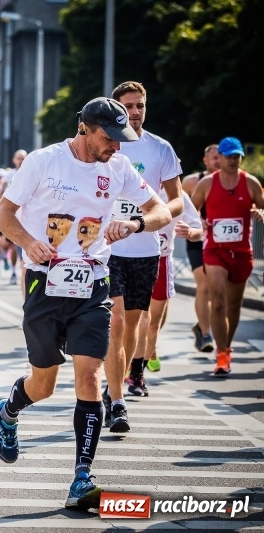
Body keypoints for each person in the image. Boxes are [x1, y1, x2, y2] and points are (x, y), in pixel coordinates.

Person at [0, 96, 170, 509]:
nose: (117, 147)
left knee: (89, 377)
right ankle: (9, 409)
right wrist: (29, 242)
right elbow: (3, 214)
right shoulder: (43, 161)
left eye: (122, 139)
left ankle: (82, 477)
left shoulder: (119, 167)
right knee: (45, 383)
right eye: (110, 137)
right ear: (85, 129)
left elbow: (160, 209)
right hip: (45, 282)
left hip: (93, 281)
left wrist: (136, 222)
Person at [102, 81, 183, 432]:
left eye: (140, 105)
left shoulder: (160, 149)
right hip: (108, 251)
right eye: (128, 106)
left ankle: (117, 379)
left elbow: (176, 201)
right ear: (118, 109)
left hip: (146, 248)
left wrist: (148, 218)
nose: (135, 112)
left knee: (135, 324)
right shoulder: (104, 144)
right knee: (116, 321)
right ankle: (117, 401)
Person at [190, 136, 264, 376]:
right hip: (215, 251)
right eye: (229, 156)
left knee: (234, 305)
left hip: (242, 253)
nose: (233, 160)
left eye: (237, 156)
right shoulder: (207, 184)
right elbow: (191, 211)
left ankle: (227, 347)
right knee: (218, 300)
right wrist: (198, 221)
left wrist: (261, 213)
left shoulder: (251, 183)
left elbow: (262, 206)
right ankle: (221, 354)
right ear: (218, 158)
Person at [127, 189, 203, 392]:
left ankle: (137, 371)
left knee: (152, 323)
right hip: (129, 259)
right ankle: (131, 370)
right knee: (133, 319)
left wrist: (190, 232)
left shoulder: (176, 195)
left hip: (161, 259)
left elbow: (199, 230)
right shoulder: (131, 186)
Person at [181, 144, 220, 353]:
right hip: (198, 239)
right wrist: (196, 222)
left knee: (218, 290)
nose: (217, 161)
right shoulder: (191, 182)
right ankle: (206, 334)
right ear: (205, 160)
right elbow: (181, 206)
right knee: (203, 285)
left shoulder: (234, 181)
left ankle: (202, 326)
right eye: (213, 158)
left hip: (222, 242)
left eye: (219, 157)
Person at [2, 149, 28, 285]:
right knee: (12, 248)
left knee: (25, 261)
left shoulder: (32, 174)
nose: (21, 160)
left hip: (28, 221)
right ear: (14, 159)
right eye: (19, 158)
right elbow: (2, 197)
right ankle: (12, 270)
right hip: (12, 218)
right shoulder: (8, 176)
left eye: (23, 158)